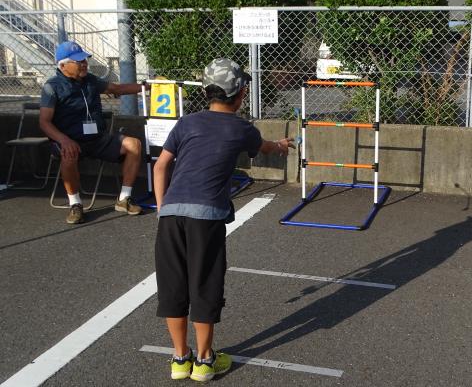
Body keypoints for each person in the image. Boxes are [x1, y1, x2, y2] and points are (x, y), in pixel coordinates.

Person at [153, 58, 294, 381]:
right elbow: (267, 147)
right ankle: (204, 361)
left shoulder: (186, 123)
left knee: (173, 286)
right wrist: (282, 145)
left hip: (171, 214)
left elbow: (161, 167)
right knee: (204, 284)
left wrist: (163, 209)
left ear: (206, 91)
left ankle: (179, 358)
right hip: (207, 217)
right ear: (241, 94)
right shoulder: (241, 128)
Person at [39, 40, 144, 224]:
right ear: (63, 65)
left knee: (133, 144)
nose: (84, 64)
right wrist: (64, 140)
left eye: (84, 60)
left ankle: (124, 199)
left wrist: (147, 86)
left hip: (97, 139)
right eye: (79, 61)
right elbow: (44, 122)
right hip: (70, 141)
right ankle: (75, 204)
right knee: (68, 154)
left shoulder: (91, 81)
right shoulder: (52, 87)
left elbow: (117, 89)